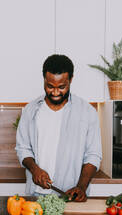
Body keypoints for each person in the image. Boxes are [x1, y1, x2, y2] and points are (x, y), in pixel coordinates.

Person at [15, 54, 102, 202]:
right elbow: (23, 148)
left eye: (61, 87)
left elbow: (93, 155)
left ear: (71, 80)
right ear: (44, 79)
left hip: (70, 196)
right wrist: (34, 169)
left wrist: (81, 187)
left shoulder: (87, 112)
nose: (55, 93)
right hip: (36, 195)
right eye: (50, 86)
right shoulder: (30, 110)